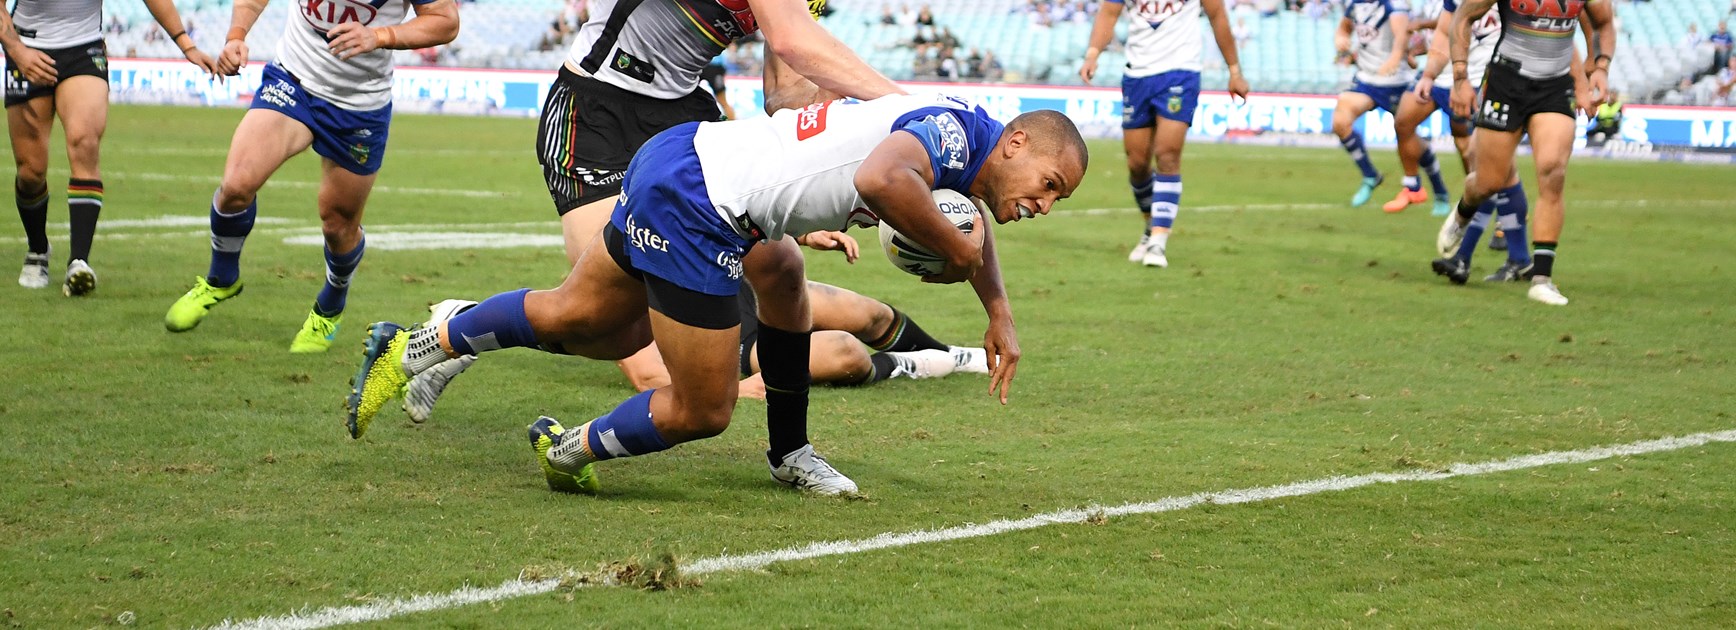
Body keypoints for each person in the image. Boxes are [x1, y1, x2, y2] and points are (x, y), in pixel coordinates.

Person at [344, 95, 1088, 498]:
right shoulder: (955, 135)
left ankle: (423, 343)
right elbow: (880, 179)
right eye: (1050, 184)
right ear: (1016, 144)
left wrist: (998, 310)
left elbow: (950, 217)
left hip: (689, 157)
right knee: (703, 409)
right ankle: (566, 449)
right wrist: (958, 249)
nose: (1044, 204)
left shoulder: (964, 140)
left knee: (601, 315)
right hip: (700, 205)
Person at [161, 0, 460, 351]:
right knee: (236, 185)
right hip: (293, 80)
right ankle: (221, 278)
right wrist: (236, 36)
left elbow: (445, 21)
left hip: (359, 103)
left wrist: (380, 35)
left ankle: (330, 306)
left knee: (338, 224)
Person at [5, 1, 218, 294]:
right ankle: (38, 248)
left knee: (85, 141)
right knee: (30, 172)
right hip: (26, 47)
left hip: (84, 48)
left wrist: (187, 45)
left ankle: (78, 261)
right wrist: (17, 51)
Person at [1432, 0, 1615, 306]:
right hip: (1506, 83)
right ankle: (1463, 214)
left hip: (1556, 86)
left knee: (1553, 170)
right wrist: (1461, 78)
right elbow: (1463, 17)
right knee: (1489, 182)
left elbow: (1603, 22)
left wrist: (1600, 67)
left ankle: (1542, 279)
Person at [1080, 0, 1249, 269]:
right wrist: (1092, 54)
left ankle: (1159, 239)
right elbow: (1108, 12)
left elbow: (1218, 15)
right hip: (1137, 75)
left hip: (1181, 72)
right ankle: (1150, 225)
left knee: (1167, 153)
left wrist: (1235, 71)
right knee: (1137, 164)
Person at [1381, 0, 1463, 216]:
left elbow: (1462, 19)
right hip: (1432, 74)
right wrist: (1414, 50)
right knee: (1403, 123)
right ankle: (1413, 187)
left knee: (1467, 146)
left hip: (1463, 76)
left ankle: (1492, 204)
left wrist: (1423, 23)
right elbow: (1436, 38)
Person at [1332, 0, 1411, 208]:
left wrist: (1395, 58)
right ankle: (1370, 175)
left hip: (1395, 81)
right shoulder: (1355, 4)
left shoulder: (1393, 3)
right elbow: (1344, 27)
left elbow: (1402, 34)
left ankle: (1436, 190)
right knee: (1340, 122)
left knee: (1409, 137)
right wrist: (1340, 39)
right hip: (1367, 79)